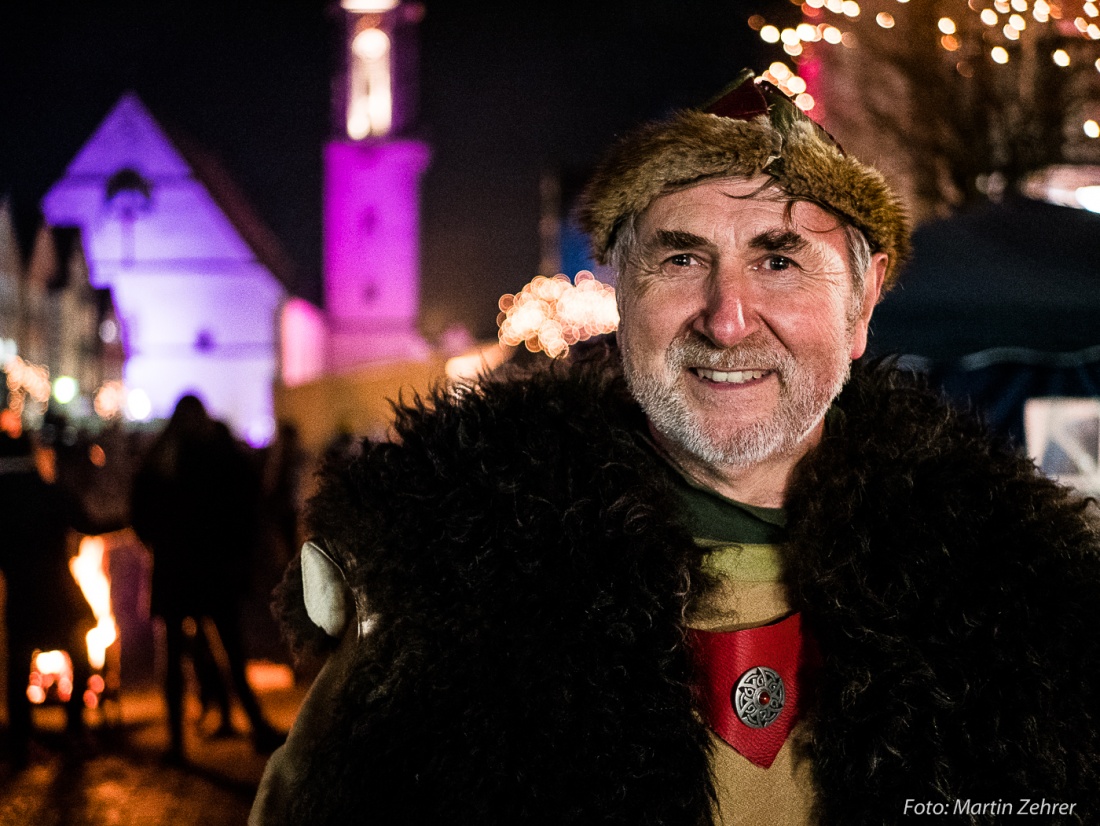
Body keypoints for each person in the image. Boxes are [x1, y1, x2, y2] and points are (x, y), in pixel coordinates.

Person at [251, 71, 1100, 824]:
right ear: (624, 293)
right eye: (683, 258)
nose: (727, 319)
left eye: (780, 261)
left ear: (864, 301)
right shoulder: (445, 596)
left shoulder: (1021, 596)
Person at [131, 394, 282, 762]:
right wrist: (236, 555)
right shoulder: (219, 458)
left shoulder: (159, 460)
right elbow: (245, 506)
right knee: (231, 649)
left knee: (174, 659)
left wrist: (160, 543)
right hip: (212, 569)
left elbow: (140, 516)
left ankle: (176, 743)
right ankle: (257, 726)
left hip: (173, 568)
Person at [0, 432, 96, 768]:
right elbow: (88, 524)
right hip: (59, 595)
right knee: (80, 659)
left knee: (19, 670)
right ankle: (74, 731)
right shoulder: (50, 493)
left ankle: (21, 744)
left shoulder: (2, 501)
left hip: (23, 597)